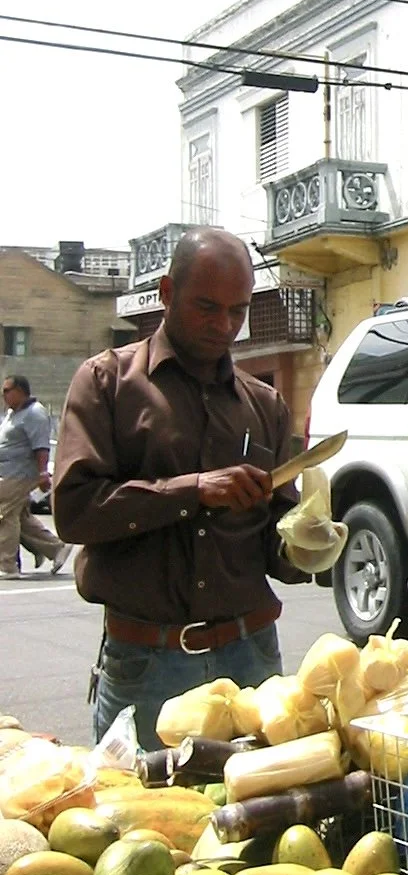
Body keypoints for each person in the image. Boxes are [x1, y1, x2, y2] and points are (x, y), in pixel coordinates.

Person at [53, 228, 310, 749]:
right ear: (167, 293)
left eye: (238, 311)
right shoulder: (107, 383)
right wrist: (192, 491)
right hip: (148, 664)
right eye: (207, 308)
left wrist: (310, 544)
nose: (225, 326)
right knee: (137, 822)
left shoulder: (266, 407)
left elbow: (279, 550)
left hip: (251, 658)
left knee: (257, 824)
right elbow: (75, 512)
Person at [0, 375, 71, 578]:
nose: (3, 395)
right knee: (19, 516)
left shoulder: (35, 413)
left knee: (4, 515)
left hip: (19, 474)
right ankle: (55, 548)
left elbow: (41, 446)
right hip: (8, 472)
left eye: (7, 390)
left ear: (21, 391)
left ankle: (8, 566)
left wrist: (42, 473)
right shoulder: (14, 413)